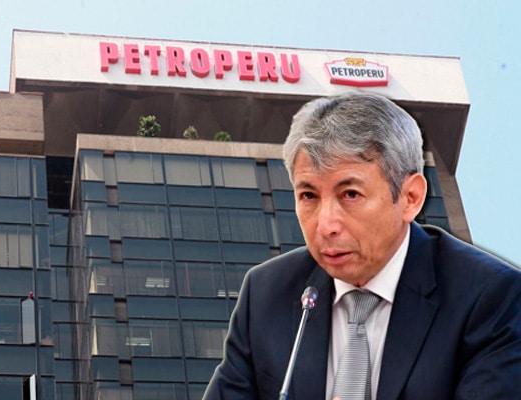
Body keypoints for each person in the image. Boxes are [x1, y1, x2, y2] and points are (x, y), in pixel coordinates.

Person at [203, 93, 521, 399]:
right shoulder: (265, 294)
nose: (326, 225)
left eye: (350, 195)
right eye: (309, 196)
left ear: (410, 198)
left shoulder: (491, 297)